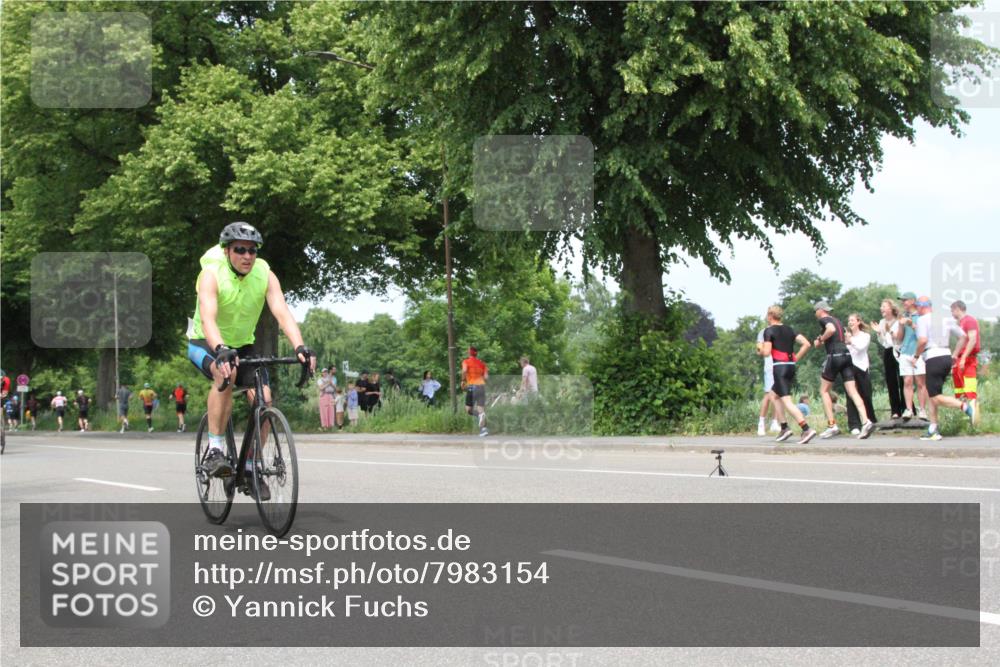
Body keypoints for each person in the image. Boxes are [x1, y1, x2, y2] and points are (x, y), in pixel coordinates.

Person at [186, 222, 314, 492]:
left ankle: (250, 466)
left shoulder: (265, 274)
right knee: (226, 374)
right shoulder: (211, 273)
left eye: (252, 251)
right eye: (240, 250)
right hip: (206, 341)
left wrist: (300, 347)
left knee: (265, 399)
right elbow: (208, 318)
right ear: (227, 250)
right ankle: (215, 449)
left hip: (243, 344)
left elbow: (281, 311)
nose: (247, 256)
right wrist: (220, 348)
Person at [913, 297, 975, 440]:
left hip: (933, 358)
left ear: (922, 307)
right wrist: (954, 354)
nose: (916, 309)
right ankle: (933, 429)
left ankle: (964, 407)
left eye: (917, 306)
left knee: (935, 397)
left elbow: (922, 340)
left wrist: (916, 356)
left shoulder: (922, 320)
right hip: (946, 356)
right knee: (933, 394)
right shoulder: (945, 319)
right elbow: (963, 337)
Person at [812, 301, 875, 439]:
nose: (815, 314)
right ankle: (866, 421)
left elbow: (830, 330)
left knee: (823, 391)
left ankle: (831, 425)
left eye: (815, 311)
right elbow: (834, 333)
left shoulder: (824, 319)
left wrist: (822, 339)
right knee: (853, 391)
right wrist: (820, 339)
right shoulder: (837, 320)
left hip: (834, 356)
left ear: (820, 311)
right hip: (847, 356)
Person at [756, 305, 817, 444]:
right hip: (790, 367)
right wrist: (795, 358)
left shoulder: (768, 331)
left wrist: (759, 349)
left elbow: (766, 353)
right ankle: (784, 427)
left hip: (779, 368)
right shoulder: (790, 329)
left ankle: (806, 429)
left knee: (787, 401)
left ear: (770, 316)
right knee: (773, 395)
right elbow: (807, 344)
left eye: (767, 315)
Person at [897, 292, 930, 420]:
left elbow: (922, 335)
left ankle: (922, 410)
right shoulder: (903, 316)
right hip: (905, 352)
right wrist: (900, 325)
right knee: (907, 381)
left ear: (912, 301)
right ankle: (909, 409)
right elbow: (899, 338)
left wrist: (912, 324)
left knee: (920, 382)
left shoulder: (921, 316)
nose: (903, 303)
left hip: (919, 353)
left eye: (905, 300)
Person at [871, 298, 904, 419]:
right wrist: (879, 333)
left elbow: (899, 339)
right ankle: (895, 411)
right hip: (888, 351)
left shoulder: (898, 320)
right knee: (891, 381)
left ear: (891, 308)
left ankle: (907, 408)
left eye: (884, 306)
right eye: (881, 306)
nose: (881, 309)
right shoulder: (881, 322)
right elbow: (883, 342)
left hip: (899, 350)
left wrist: (889, 332)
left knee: (903, 381)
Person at [845, 314, 877, 435]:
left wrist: (850, 341)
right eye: (849, 321)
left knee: (866, 394)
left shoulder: (865, 336)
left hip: (862, 367)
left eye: (852, 320)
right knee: (851, 396)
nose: (850, 322)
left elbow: (861, 348)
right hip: (849, 367)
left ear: (858, 322)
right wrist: (846, 341)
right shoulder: (847, 336)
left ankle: (870, 421)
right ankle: (854, 425)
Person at [950, 300, 980, 423]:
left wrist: (963, 358)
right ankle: (964, 415)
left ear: (958, 309)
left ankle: (974, 414)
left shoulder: (969, 321)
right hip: (960, 359)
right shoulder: (959, 323)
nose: (951, 313)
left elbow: (972, 340)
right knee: (959, 389)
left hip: (968, 359)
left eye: (952, 310)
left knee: (969, 387)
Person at [755, 329, 783, 436]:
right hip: (770, 366)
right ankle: (761, 424)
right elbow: (759, 351)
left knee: (778, 395)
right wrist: (765, 349)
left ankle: (774, 423)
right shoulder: (763, 332)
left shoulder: (781, 330)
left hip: (781, 365)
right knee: (768, 395)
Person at [462, 346, 489, 436]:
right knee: (481, 410)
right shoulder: (482, 363)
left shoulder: (466, 361)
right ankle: (484, 430)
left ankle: (479, 416)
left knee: (468, 409)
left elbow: (465, 370)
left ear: (469, 352)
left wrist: (463, 381)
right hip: (481, 386)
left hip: (472, 387)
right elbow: (486, 377)